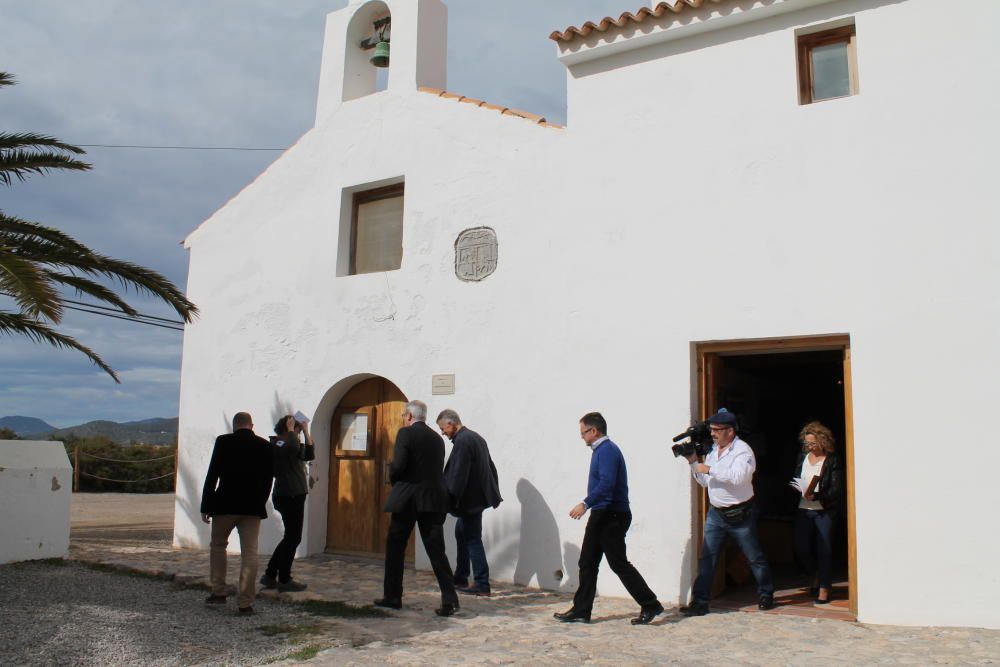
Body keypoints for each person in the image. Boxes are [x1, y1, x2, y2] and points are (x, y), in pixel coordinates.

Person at [554, 412, 664, 625]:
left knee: (618, 563)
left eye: (583, 432)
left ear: (594, 431)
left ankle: (650, 603)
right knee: (587, 561)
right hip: (604, 513)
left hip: (611, 513)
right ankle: (581, 609)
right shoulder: (602, 451)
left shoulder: (606, 451)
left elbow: (607, 484)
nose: (582, 437)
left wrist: (585, 503)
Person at [681, 408, 774, 616]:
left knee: (754, 557)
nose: (712, 434)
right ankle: (700, 601)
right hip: (716, 513)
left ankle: (766, 593)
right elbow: (705, 482)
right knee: (707, 558)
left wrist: (710, 469)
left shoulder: (743, 451)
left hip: (741, 514)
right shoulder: (714, 451)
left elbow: (738, 477)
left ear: (730, 431)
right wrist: (693, 463)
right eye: (711, 429)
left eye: (717, 430)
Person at [375, 400, 460, 616]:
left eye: (405, 415)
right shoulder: (437, 439)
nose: (404, 418)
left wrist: (392, 475)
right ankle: (449, 598)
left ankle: (393, 596)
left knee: (395, 547)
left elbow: (400, 464)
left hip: (408, 499)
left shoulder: (406, 434)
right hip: (432, 500)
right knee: (436, 551)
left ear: (410, 416)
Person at [200, 412, 274, 615]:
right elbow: (269, 479)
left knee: (218, 546)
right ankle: (245, 602)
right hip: (252, 507)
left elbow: (212, 473)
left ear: (234, 426)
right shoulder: (264, 445)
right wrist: (260, 501)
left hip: (225, 503)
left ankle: (219, 592)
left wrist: (206, 504)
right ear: (252, 425)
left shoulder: (223, 442)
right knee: (250, 553)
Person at [437, 409, 503, 596]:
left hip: (469, 501)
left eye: (443, 428)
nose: (443, 433)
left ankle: (482, 583)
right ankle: (461, 576)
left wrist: (449, 498)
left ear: (451, 424)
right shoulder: (476, 438)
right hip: (477, 498)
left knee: (472, 539)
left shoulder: (463, 441)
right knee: (461, 533)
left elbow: (458, 473)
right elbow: (490, 467)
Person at [260, 414, 315, 592]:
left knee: (291, 537)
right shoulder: (277, 443)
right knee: (293, 537)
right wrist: (292, 430)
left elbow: (309, 454)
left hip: (295, 494)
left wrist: (306, 432)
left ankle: (271, 574)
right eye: (296, 430)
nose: (297, 434)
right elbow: (290, 448)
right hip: (287, 495)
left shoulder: (291, 442)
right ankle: (283, 577)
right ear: (288, 428)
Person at [792, 420, 843, 605]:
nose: (810, 446)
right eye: (807, 443)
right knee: (801, 547)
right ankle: (814, 574)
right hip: (803, 509)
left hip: (824, 510)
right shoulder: (802, 457)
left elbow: (836, 488)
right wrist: (798, 489)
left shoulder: (832, 460)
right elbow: (796, 477)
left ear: (822, 441)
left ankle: (824, 587)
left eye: (813, 443)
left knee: (824, 549)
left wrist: (818, 496)